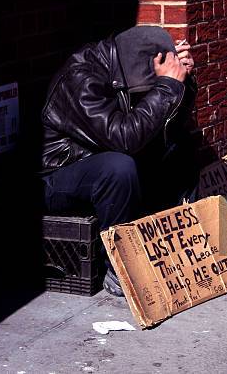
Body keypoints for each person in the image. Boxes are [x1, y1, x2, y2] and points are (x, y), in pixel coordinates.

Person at [40, 26, 197, 295]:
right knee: (118, 166)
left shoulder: (122, 68)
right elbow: (124, 139)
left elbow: (171, 124)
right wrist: (167, 86)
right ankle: (118, 265)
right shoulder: (81, 78)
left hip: (101, 160)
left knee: (179, 146)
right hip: (59, 177)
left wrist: (184, 83)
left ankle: (184, 246)